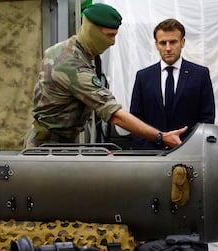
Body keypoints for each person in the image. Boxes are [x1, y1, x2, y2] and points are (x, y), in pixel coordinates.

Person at [24, 4, 187, 149]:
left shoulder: (64, 50)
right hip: (47, 149)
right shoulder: (72, 64)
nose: (113, 42)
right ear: (92, 31)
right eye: (109, 35)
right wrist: (161, 136)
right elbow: (114, 114)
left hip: (57, 145)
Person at [130, 18, 215, 150]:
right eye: (163, 43)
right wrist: (147, 150)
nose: (168, 48)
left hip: (188, 154)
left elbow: (207, 119)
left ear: (183, 42)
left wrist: (190, 149)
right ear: (156, 45)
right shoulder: (143, 77)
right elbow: (135, 119)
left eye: (173, 42)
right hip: (151, 155)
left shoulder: (200, 75)